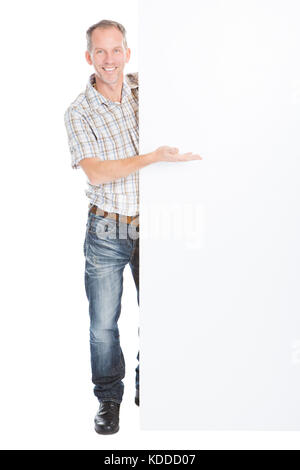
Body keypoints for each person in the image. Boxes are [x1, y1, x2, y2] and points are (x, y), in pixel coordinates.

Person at [64, 19, 202, 435]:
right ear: (89, 57)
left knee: (159, 313)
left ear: (127, 52)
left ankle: (149, 382)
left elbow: (188, 74)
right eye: (100, 52)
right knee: (103, 325)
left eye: (116, 50)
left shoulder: (149, 90)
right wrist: (151, 157)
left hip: (155, 224)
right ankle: (109, 399)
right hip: (107, 229)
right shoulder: (78, 111)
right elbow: (97, 174)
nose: (110, 60)